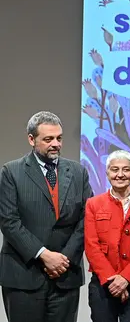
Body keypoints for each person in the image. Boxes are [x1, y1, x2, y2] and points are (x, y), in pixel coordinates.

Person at [0, 111, 93, 322]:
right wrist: (44, 255)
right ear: (31, 139)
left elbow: (86, 218)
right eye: (48, 139)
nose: (56, 144)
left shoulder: (78, 172)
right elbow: (9, 221)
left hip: (65, 275)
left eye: (59, 138)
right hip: (24, 276)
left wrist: (64, 259)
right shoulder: (11, 172)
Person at [85, 150, 130, 321]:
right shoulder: (93, 204)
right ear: (107, 173)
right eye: (114, 170)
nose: (120, 174)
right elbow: (91, 246)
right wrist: (113, 281)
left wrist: (126, 278)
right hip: (102, 285)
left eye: (126, 170)